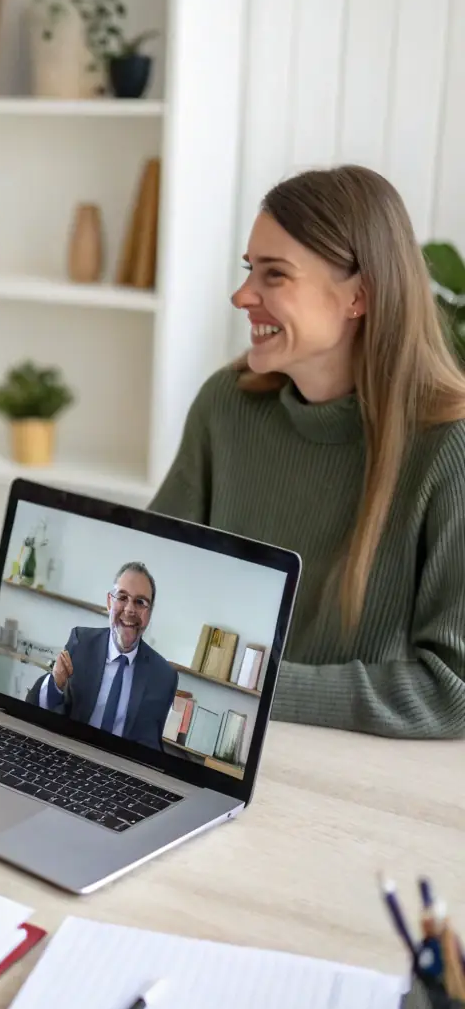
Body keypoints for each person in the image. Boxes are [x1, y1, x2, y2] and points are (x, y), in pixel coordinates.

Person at [151, 164, 465, 741]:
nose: (242, 295)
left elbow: (455, 688)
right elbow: (153, 577)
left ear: (358, 297)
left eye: (274, 275)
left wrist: (262, 690)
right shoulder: (227, 405)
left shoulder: (450, 445)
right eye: (250, 270)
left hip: (357, 772)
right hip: (208, 739)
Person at [26, 561, 178, 750]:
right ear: (109, 602)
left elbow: (150, 747)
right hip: (67, 756)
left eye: (140, 602)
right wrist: (56, 682)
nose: (130, 610)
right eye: (122, 597)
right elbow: (35, 707)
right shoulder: (81, 643)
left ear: (149, 613)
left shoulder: (163, 676)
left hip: (119, 770)